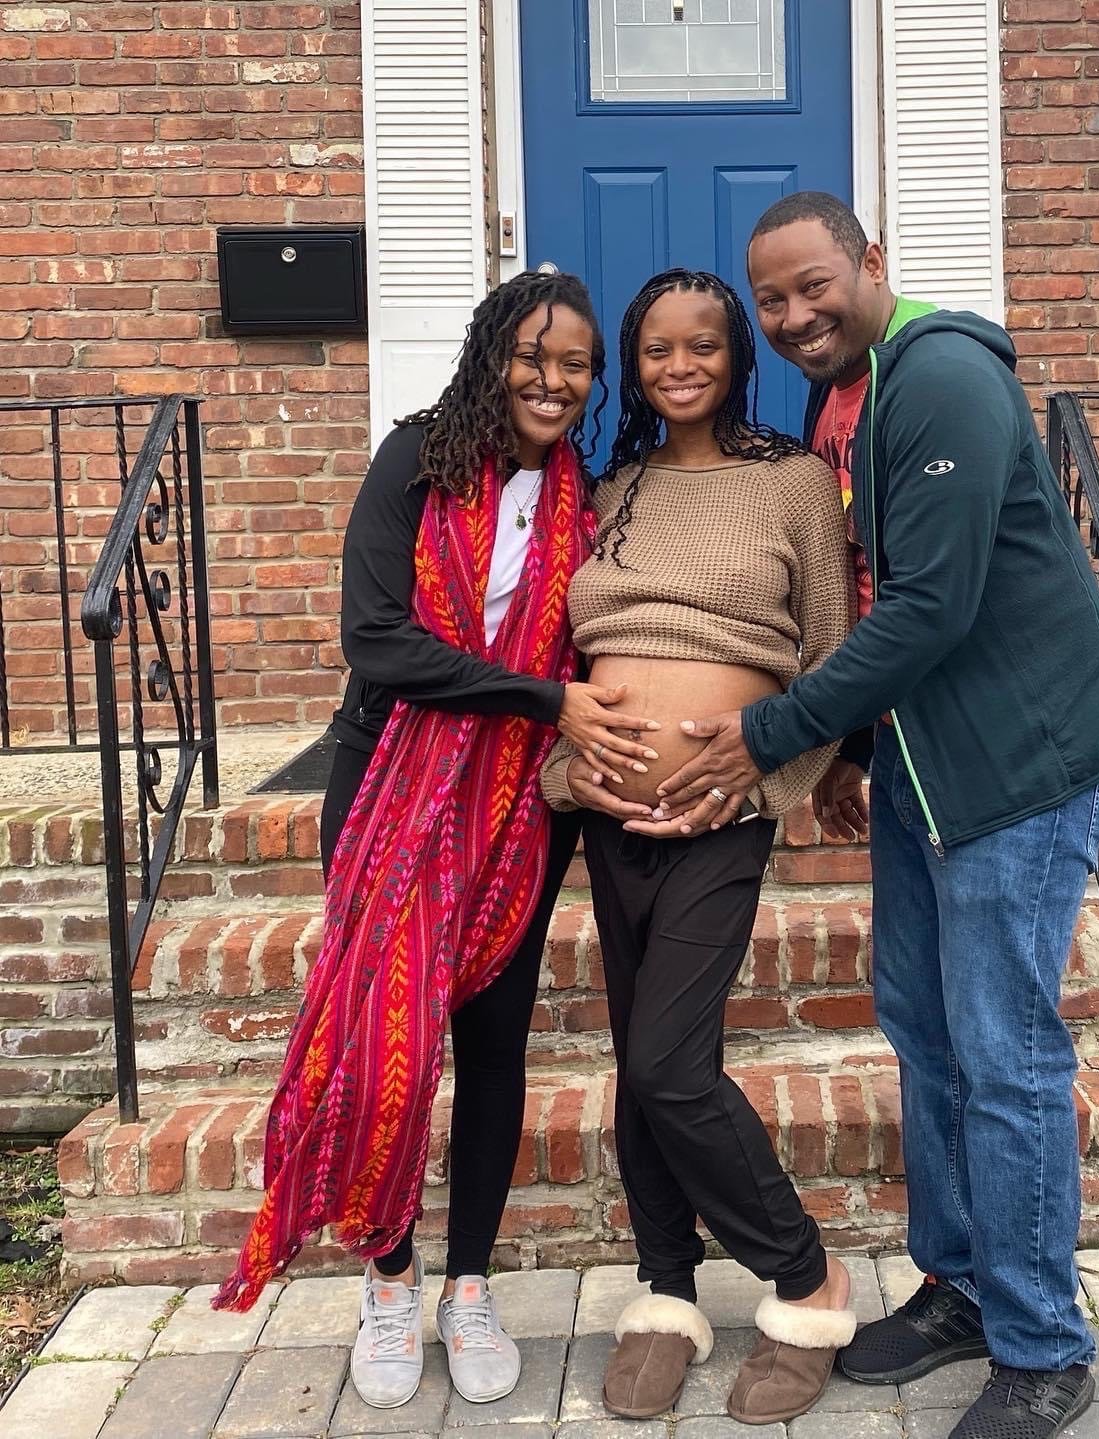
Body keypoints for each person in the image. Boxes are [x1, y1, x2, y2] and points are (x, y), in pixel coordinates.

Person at [651, 194, 1099, 1439]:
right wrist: (861, 745)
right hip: (930, 773)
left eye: (816, 285)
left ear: (874, 261)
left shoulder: (945, 381)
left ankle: (1042, 1344)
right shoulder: (845, 396)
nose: (797, 315)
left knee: (1005, 1055)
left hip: (1020, 771)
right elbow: (868, 594)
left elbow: (928, 609)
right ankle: (962, 1286)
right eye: (776, 301)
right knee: (925, 1029)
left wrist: (772, 735)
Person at [214, 271, 663, 1415]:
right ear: (489, 357)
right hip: (389, 785)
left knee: (496, 1041)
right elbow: (378, 639)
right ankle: (390, 1278)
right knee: (387, 1039)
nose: (554, 382)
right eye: (533, 357)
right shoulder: (415, 461)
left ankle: (469, 1283)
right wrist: (539, 696)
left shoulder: (584, 495)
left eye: (576, 366)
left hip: (518, 803)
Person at [539, 269, 859, 1426]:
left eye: (705, 347)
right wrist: (575, 771)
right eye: (659, 349)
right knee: (641, 1062)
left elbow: (828, 653)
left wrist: (769, 779)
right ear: (638, 361)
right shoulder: (608, 489)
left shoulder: (793, 486)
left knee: (674, 1062)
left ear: (738, 357)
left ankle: (807, 1276)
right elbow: (563, 654)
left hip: (724, 815)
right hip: (608, 813)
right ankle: (665, 1289)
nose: (681, 367)